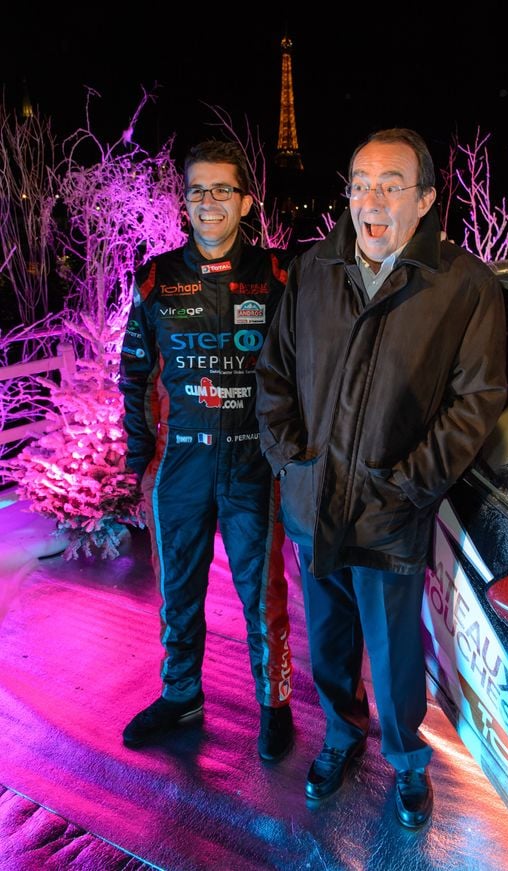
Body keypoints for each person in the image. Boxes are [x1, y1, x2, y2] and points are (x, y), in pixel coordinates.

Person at [255, 128, 507, 825]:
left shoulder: (463, 286)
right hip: (313, 502)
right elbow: (274, 373)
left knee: (396, 655)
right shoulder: (312, 271)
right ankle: (341, 736)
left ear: (425, 200)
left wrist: (409, 483)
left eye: (392, 184)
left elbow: (477, 399)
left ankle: (407, 760)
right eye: (361, 182)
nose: (372, 198)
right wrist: (289, 458)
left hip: (389, 510)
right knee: (328, 643)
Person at [119, 139, 294, 762]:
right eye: (198, 190)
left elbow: (306, 369)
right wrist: (139, 464)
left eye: (222, 189)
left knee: (263, 595)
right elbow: (135, 376)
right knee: (177, 592)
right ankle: (180, 695)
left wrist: (293, 452)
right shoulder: (156, 277)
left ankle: (274, 705)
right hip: (180, 468)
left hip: (254, 464)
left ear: (246, 201)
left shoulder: (278, 276)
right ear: (185, 203)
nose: (209, 201)